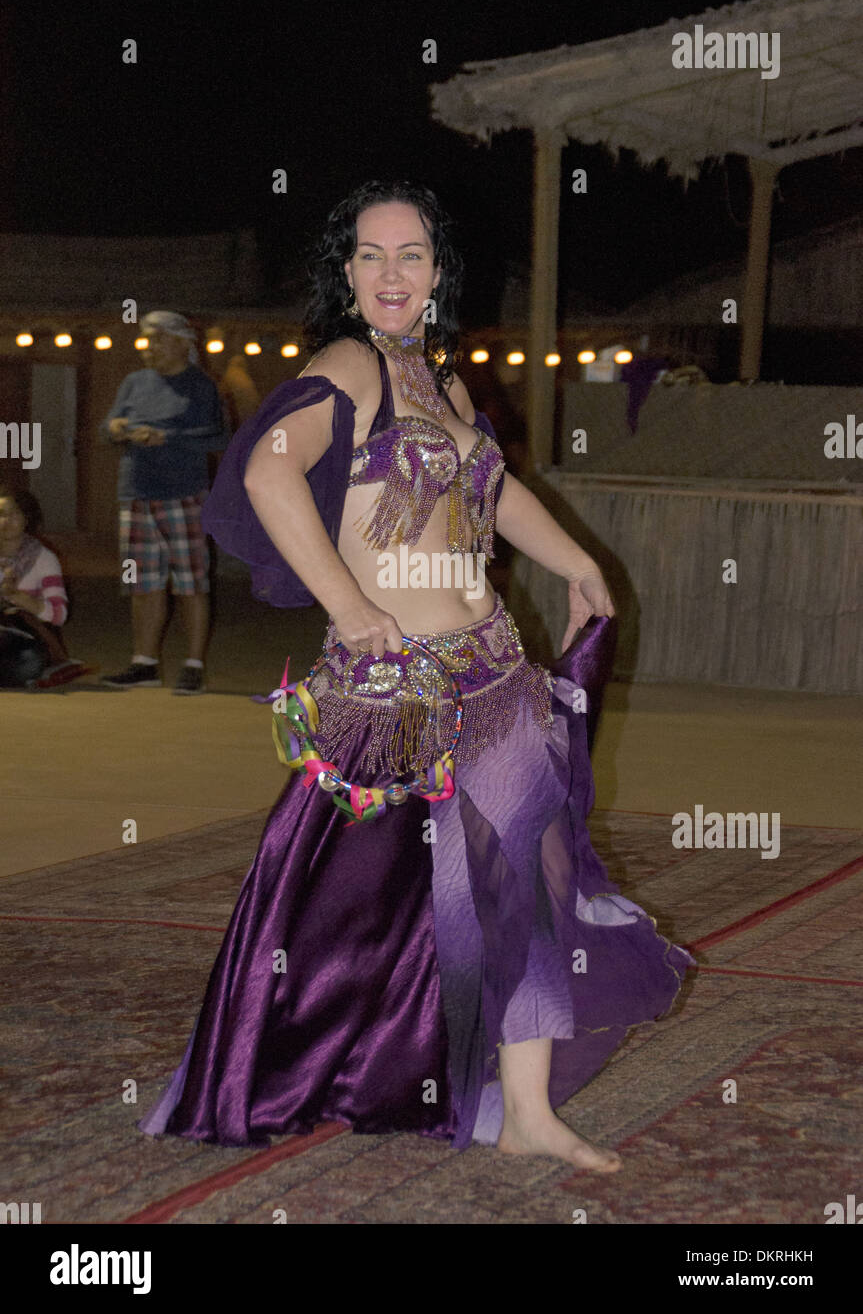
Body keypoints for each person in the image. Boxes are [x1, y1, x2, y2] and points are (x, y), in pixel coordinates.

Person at [139, 181, 695, 1169]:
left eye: (411, 255)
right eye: (371, 255)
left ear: (438, 271)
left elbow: (496, 491)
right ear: (345, 273)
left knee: (531, 869)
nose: (392, 274)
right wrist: (350, 609)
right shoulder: (348, 366)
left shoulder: (446, 384)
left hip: (492, 669)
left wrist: (575, 563)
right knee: (341, 898)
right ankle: (309, 1062)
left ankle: (524, 1107)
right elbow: (267, 471)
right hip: (390, 685)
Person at [101, 311, 229, 695]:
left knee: (190, 583)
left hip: (183, 495)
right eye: (146, 338)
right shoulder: (133, 382)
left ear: (181, 342)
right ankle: (145, 663)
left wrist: (165, 437)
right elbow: (106, 428)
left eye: (156, 338)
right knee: (141, 583)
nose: (149, 346)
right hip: (136, 494)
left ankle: (192, 664)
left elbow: (217, 438)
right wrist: (118, 428)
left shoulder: (201, 386)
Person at [0, 487, 89, 687]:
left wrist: (17, 596)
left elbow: (59, 615)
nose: (6, 522)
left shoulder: (43, 558)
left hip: (24, 637)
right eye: (1, 515)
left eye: (13, 514)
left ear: (27, 518)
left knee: (28, 661)